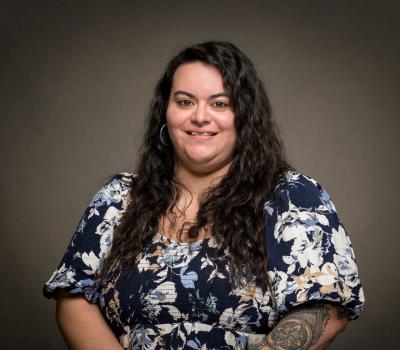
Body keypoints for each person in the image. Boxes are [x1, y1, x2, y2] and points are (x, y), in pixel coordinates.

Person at [43, 41, 365, 349]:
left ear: (245, 117)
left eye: (219, 103)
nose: (200, 116)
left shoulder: (291, 197)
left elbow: (325, 307)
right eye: (185, 101)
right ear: (165, 113)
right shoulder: (118, 198)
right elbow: (74, 299)